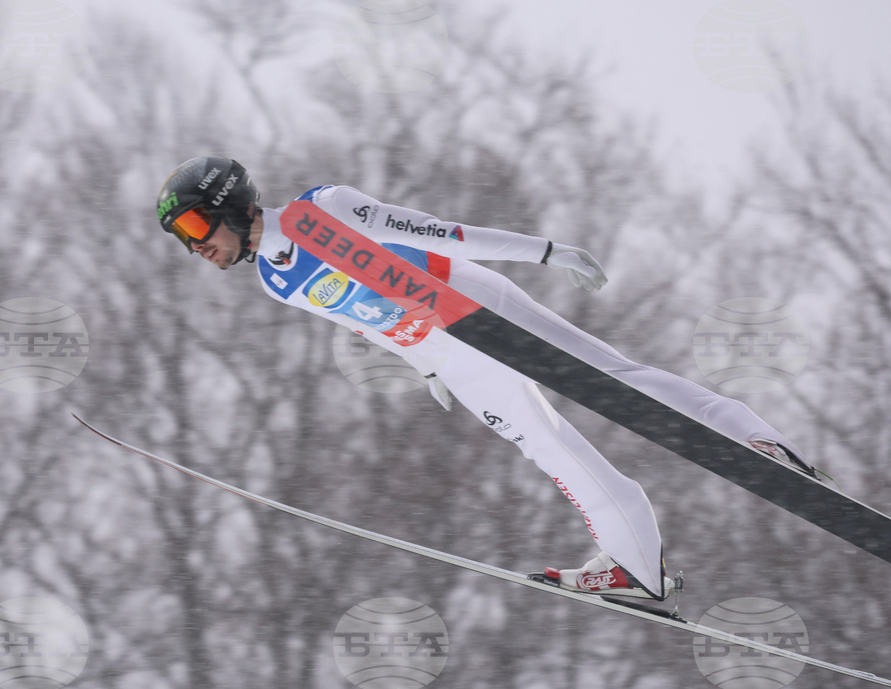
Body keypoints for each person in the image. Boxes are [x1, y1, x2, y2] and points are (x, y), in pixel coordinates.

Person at [156, 156, 812, 601]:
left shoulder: (322, 206)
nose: (195, 246)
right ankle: (639, 566)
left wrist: (543, 251)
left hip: (466, 300)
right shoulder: (275, 279)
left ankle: (752, 439)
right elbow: (361, 320)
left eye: (192, 226)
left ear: (229, 203)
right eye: (181, 240)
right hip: (445, 351)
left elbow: (441, 233)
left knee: (608, 375)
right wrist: (425, 367)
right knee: (547, 445)